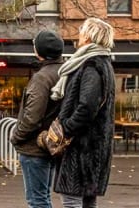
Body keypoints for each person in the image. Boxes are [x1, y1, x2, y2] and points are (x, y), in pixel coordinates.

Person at [51, 18, 116, 208]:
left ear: (88, 36)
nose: (79, 34)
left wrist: (66, 129)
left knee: (71, 199)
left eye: (82, 31)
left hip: (81, 148)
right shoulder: (102, 64)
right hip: (92, 147)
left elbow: (87, 107)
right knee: (87, 201)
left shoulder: (92, 65)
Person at [10, 30, 65, 208]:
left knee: (37, 201)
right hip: (53, 143)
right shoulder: (65, 73)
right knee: (44, 197)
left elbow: (32, 117)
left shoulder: (42, 78)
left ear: (38, 51)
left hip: (34, 148)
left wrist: (16, 136)